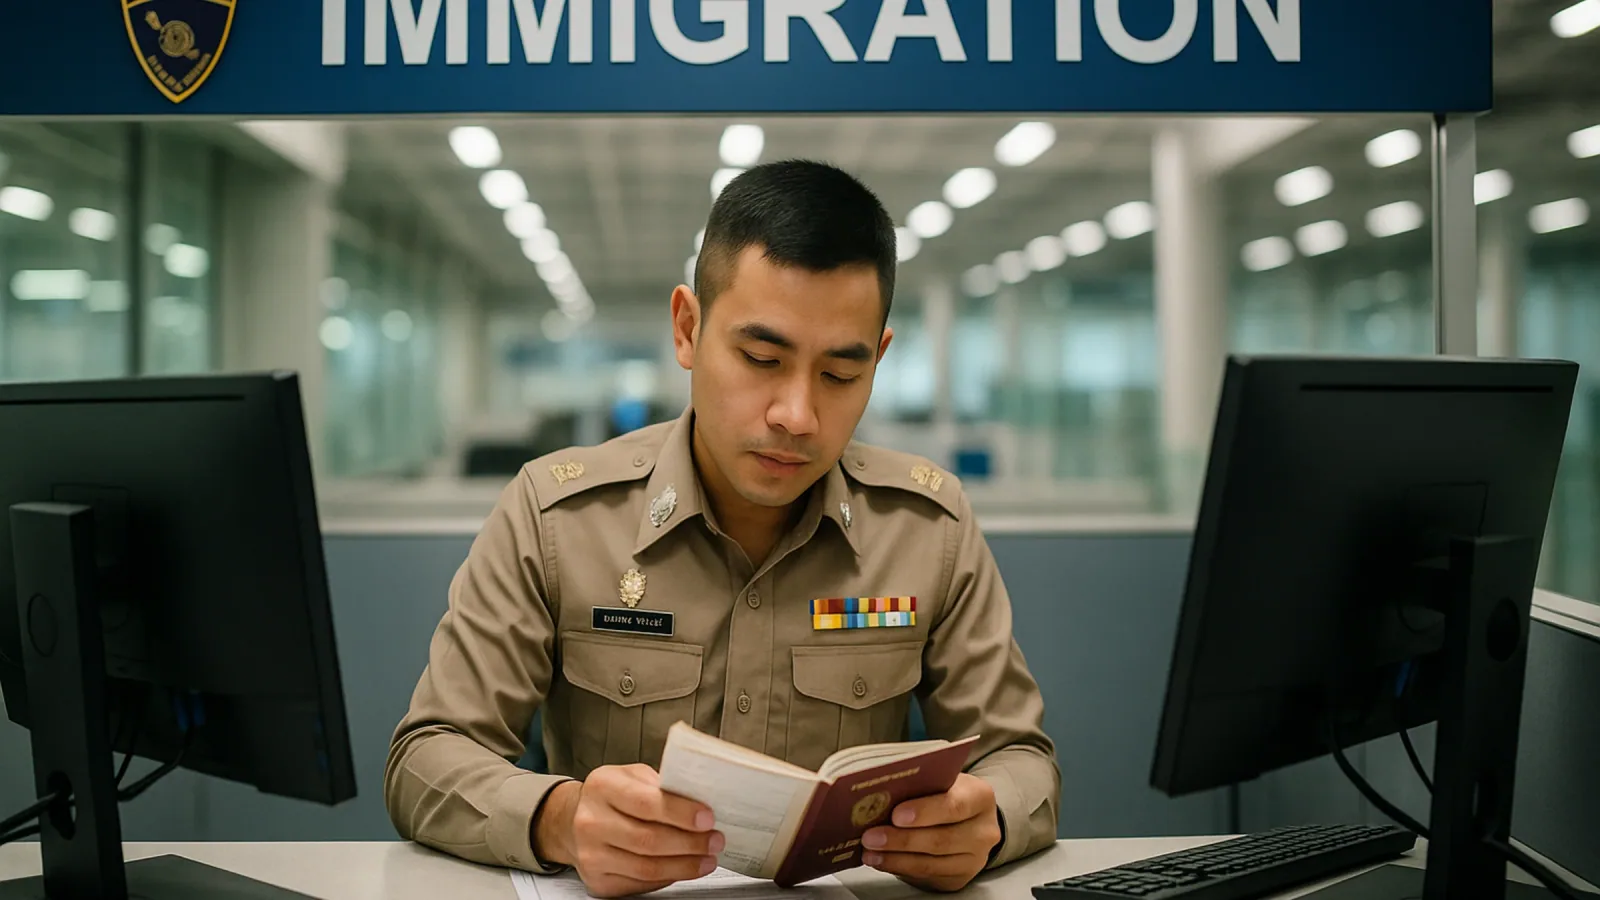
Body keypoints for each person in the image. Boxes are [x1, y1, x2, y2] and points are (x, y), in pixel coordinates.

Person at [385, 160, 1061, 897]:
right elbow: (426, 756)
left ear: (879, 362)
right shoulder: (558, 517)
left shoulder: (927, 529)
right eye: (761, 358)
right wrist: (560, 816)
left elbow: (1022, 760)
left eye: (840, 375)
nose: (796, 416)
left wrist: (985, 819)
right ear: (687, 328)